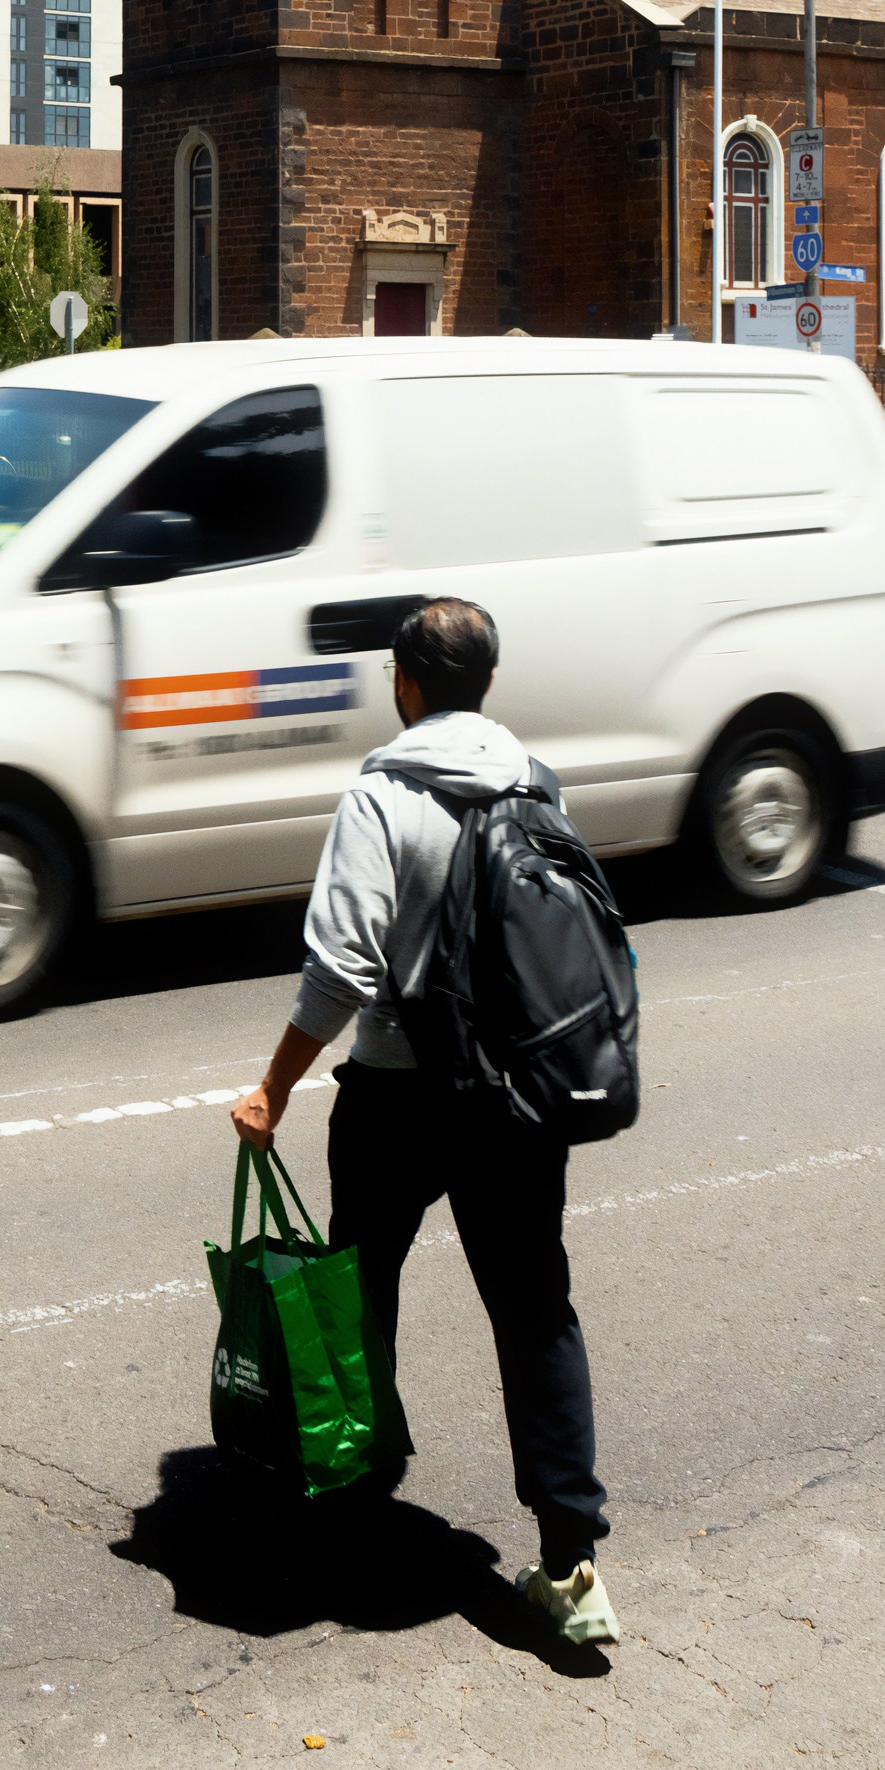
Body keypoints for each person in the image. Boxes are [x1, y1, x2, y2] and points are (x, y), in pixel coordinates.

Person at [229, 595, 620, 1646]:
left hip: (400, 1092)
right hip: (516, 1097)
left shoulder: (379, 795)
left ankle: (356, 1507)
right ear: (486, 684)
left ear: (401, 683)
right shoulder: (535, 783)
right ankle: (571, 1565)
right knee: (534, 1310)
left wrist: (270, 1086)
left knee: (357, 1303)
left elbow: (341, 968)